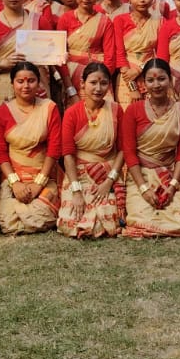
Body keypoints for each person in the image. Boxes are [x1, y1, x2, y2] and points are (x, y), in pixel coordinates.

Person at [119, 59, 180, 238]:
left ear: (170, 80)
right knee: (139, 217)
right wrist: (143, 189)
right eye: (150, 80)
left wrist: (172, 186)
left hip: (171, 174)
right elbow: (129, 153)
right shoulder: (133, 111)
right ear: (144, 83)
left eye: (161, 79)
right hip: (141, 175)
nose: (156, 85)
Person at [0, 62, 63, 234]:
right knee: (8, 223)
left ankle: (27, 212)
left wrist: (39, 183)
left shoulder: (49, 108)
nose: (26, 86)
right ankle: (21, 212)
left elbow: (54, 149)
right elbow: (0, 152)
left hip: (44, 176)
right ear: (12, 84)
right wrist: (15, 183)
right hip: (13, 178)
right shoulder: (1, 112)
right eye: (20, 81)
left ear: (39, 83)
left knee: (39, 215)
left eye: (31, 81)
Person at [58, 63, 125, 240]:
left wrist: (109, 181)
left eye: (103, 83)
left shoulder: (116, 110)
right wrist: (76, 191)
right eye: (93, 82)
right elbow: (68, 155)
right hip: (79, 174)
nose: (98, 88)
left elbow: (122, 150)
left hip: (108, 171)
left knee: (108, 216)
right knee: (71, 219)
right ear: (82, 84)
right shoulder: (72, 113)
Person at [59, 0, 113, 99]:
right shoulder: (65, 19)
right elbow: (60, 55)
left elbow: (110, 57)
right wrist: (69, 87)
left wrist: (102, 81)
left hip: (99, 76)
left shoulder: (105, 22)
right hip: (71, 75)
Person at [110, 0, 163, 102]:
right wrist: (132, 87)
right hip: (126, 77)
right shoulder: (120, 20)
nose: (142, 0)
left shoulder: (160, 22)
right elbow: (120, 54)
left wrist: (139, 69)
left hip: (152, 75)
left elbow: (160, 54)